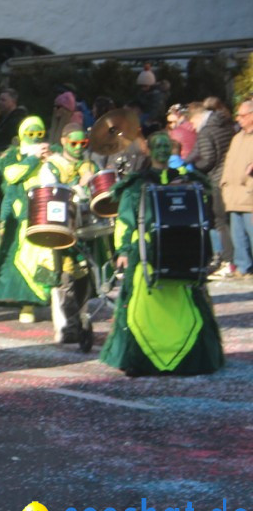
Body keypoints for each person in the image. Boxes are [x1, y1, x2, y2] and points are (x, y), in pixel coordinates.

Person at [99, 132, 224, 376]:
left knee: (188, 303)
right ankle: (139, 360)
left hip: (183, 251)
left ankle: (191, 359)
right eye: (158, 146)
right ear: (149, 150)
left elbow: (202, 214)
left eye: (168, 146)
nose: (163, 151)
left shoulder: (187, 178)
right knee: (139, 307)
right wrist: (124, 249)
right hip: (145, 253)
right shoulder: (137, 183)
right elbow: (125, 219)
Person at [37, 123, 98, 347]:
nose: (79, 147)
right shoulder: (52, 165)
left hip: (87, 228)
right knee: (64, 278)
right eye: (74, 143)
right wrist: (78, 185)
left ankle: (81, 322)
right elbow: (50, 193)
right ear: (63, 141)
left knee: (84, 276)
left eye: (83, 143)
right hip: (61, 229)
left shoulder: (90, 164)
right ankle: (65, 327)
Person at [0, 116, 52, 322]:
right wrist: (32, 158)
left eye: (39, 134)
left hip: (46, 213)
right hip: (19, 214)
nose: (35, 138)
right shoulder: (10, 155)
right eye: (30, 134)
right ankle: (26, 303)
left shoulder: (51, 152)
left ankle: (44, 299)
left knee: (44, 259)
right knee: (19, 258)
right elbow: (12, 175)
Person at [189, 100, 234, 279]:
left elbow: (207, 159)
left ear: (197, 117)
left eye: (192, 122)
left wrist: (192, 167)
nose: (192, 127)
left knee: (218, 221)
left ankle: (227, 259)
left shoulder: (206, 131)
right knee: (227, 220)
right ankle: (232, 259)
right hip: (228, 176)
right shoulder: (224, 124)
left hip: (215, 179)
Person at [219, 99, 253, 279]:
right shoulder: (237, 137)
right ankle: (243, 267)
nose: (238, 118)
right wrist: (224, 184)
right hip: (232, 194)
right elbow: (229, 162)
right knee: (238, 235)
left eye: (242, 115)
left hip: (249, 195)